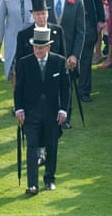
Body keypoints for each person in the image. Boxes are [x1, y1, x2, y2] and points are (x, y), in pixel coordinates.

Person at [14, 27, 69, 194]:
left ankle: (49, 179)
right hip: (31, 113)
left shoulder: (59, 61)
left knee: (52, 146)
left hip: (52, 113)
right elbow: (19, 88)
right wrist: (19, 109)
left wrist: (63, 110)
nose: (38, 50)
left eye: (41, 47)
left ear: (48, 47)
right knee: (32, 147)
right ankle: (32, 184)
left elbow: (65, 89)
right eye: (36, 47)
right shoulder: (24, 62)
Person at [46, 0, 85, 129]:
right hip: (49, 53)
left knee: (66, 86)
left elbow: (80, 32)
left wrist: (75, 55)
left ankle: (66, 117)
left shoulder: (76, 3)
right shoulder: (45, 1)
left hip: (68, 54)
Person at [65, 0, 104, 102]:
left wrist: (101, 19)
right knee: (70, 53)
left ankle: (84, 91)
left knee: (87, 55)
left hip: (87, 18)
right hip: (69, 21)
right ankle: (69, 86)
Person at [0, 0, 41, 87]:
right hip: (13, 39)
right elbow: (0, 18)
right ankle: (17, 103)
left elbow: (42, 13)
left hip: (32, 38)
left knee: (32, 71)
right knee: (15, 71)